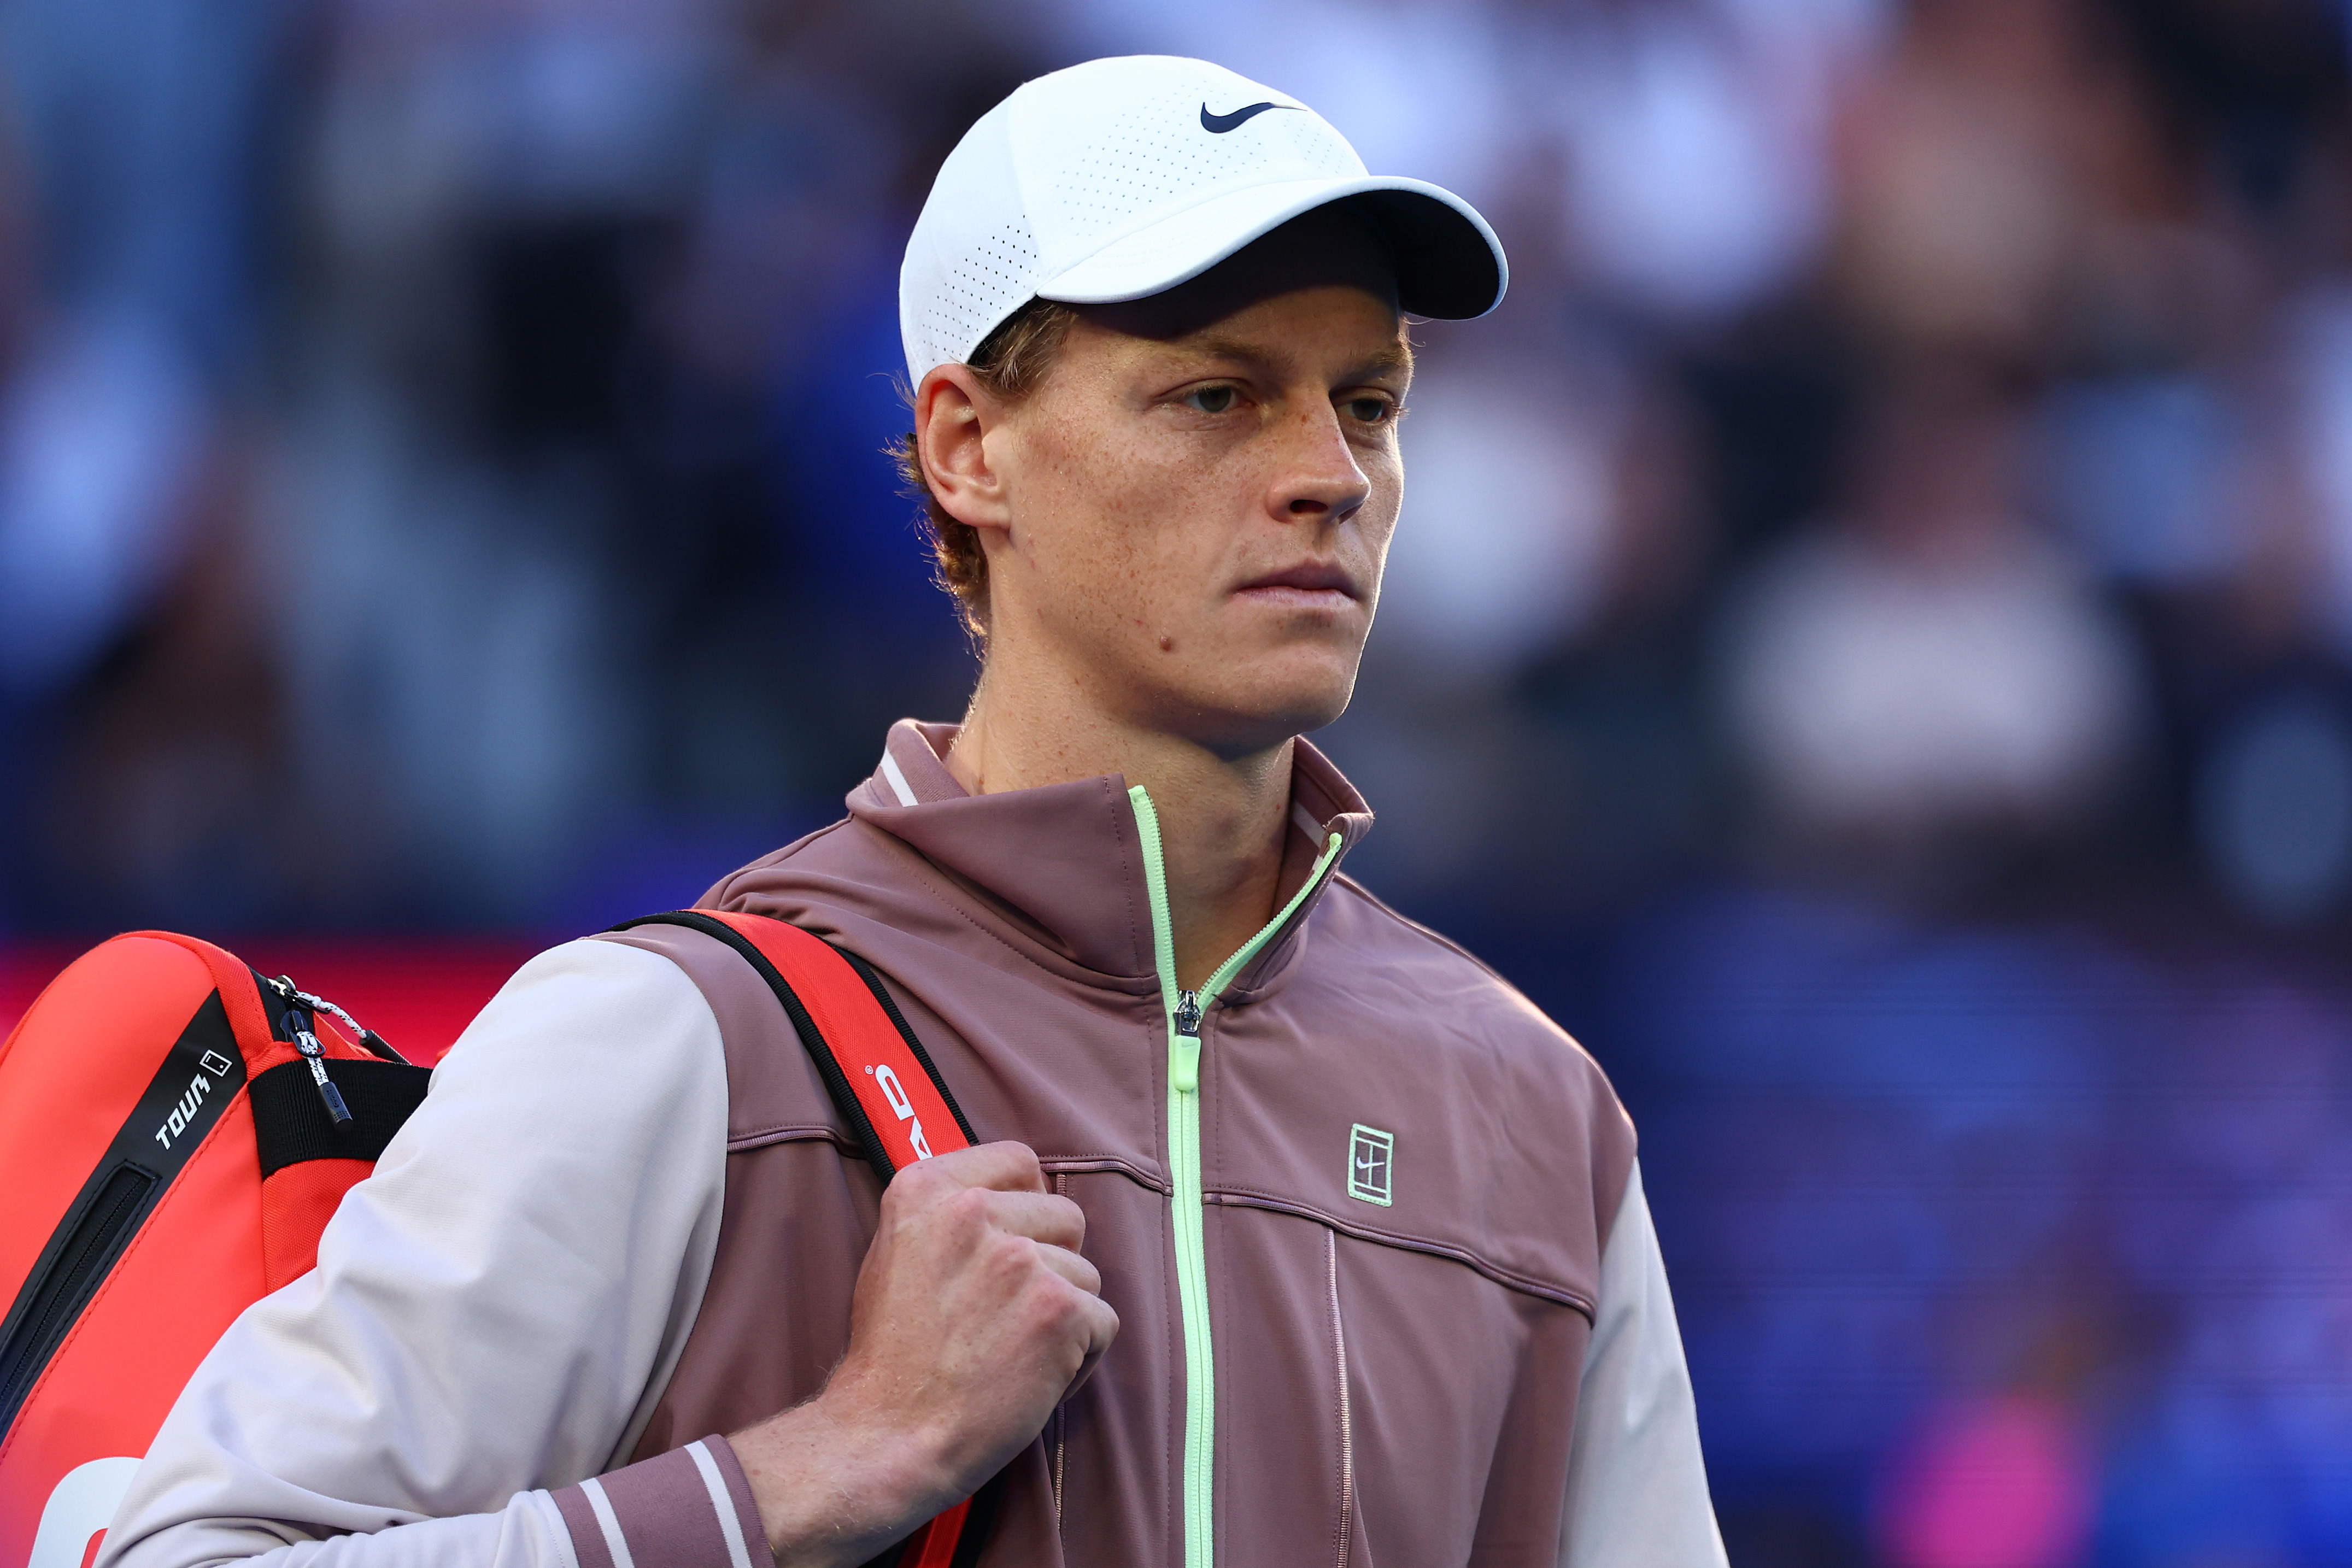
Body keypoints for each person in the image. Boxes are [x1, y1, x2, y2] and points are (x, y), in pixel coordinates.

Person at [101, 55, 1725, 1568]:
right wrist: (822, 1466)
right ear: (969, 449)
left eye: (1366, 404)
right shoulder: (676, 1040)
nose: (1332, 474)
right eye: (1219, 396)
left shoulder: (1537, 1113)